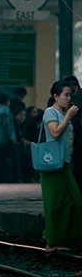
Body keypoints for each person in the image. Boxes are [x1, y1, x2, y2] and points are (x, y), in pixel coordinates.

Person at [41, 80, 82, 252]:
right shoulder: (50, 112)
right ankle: (51, 242)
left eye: (70, 95)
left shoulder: (64, 113)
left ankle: (64, 238)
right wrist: (68, 117)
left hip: (64, 164)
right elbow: (55, 132)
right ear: (55, 96)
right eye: (65, 95)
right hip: (52, 164)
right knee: (54, 205)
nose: (68, 98)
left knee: (74, 201)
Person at [0, 91, 18, 183]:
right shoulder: (6, 110)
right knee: (16, 157)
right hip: (7, 139)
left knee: (1, 161)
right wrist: (12, 137)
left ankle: (0, 179)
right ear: (7, 101)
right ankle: (16, 177)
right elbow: (7, 125)